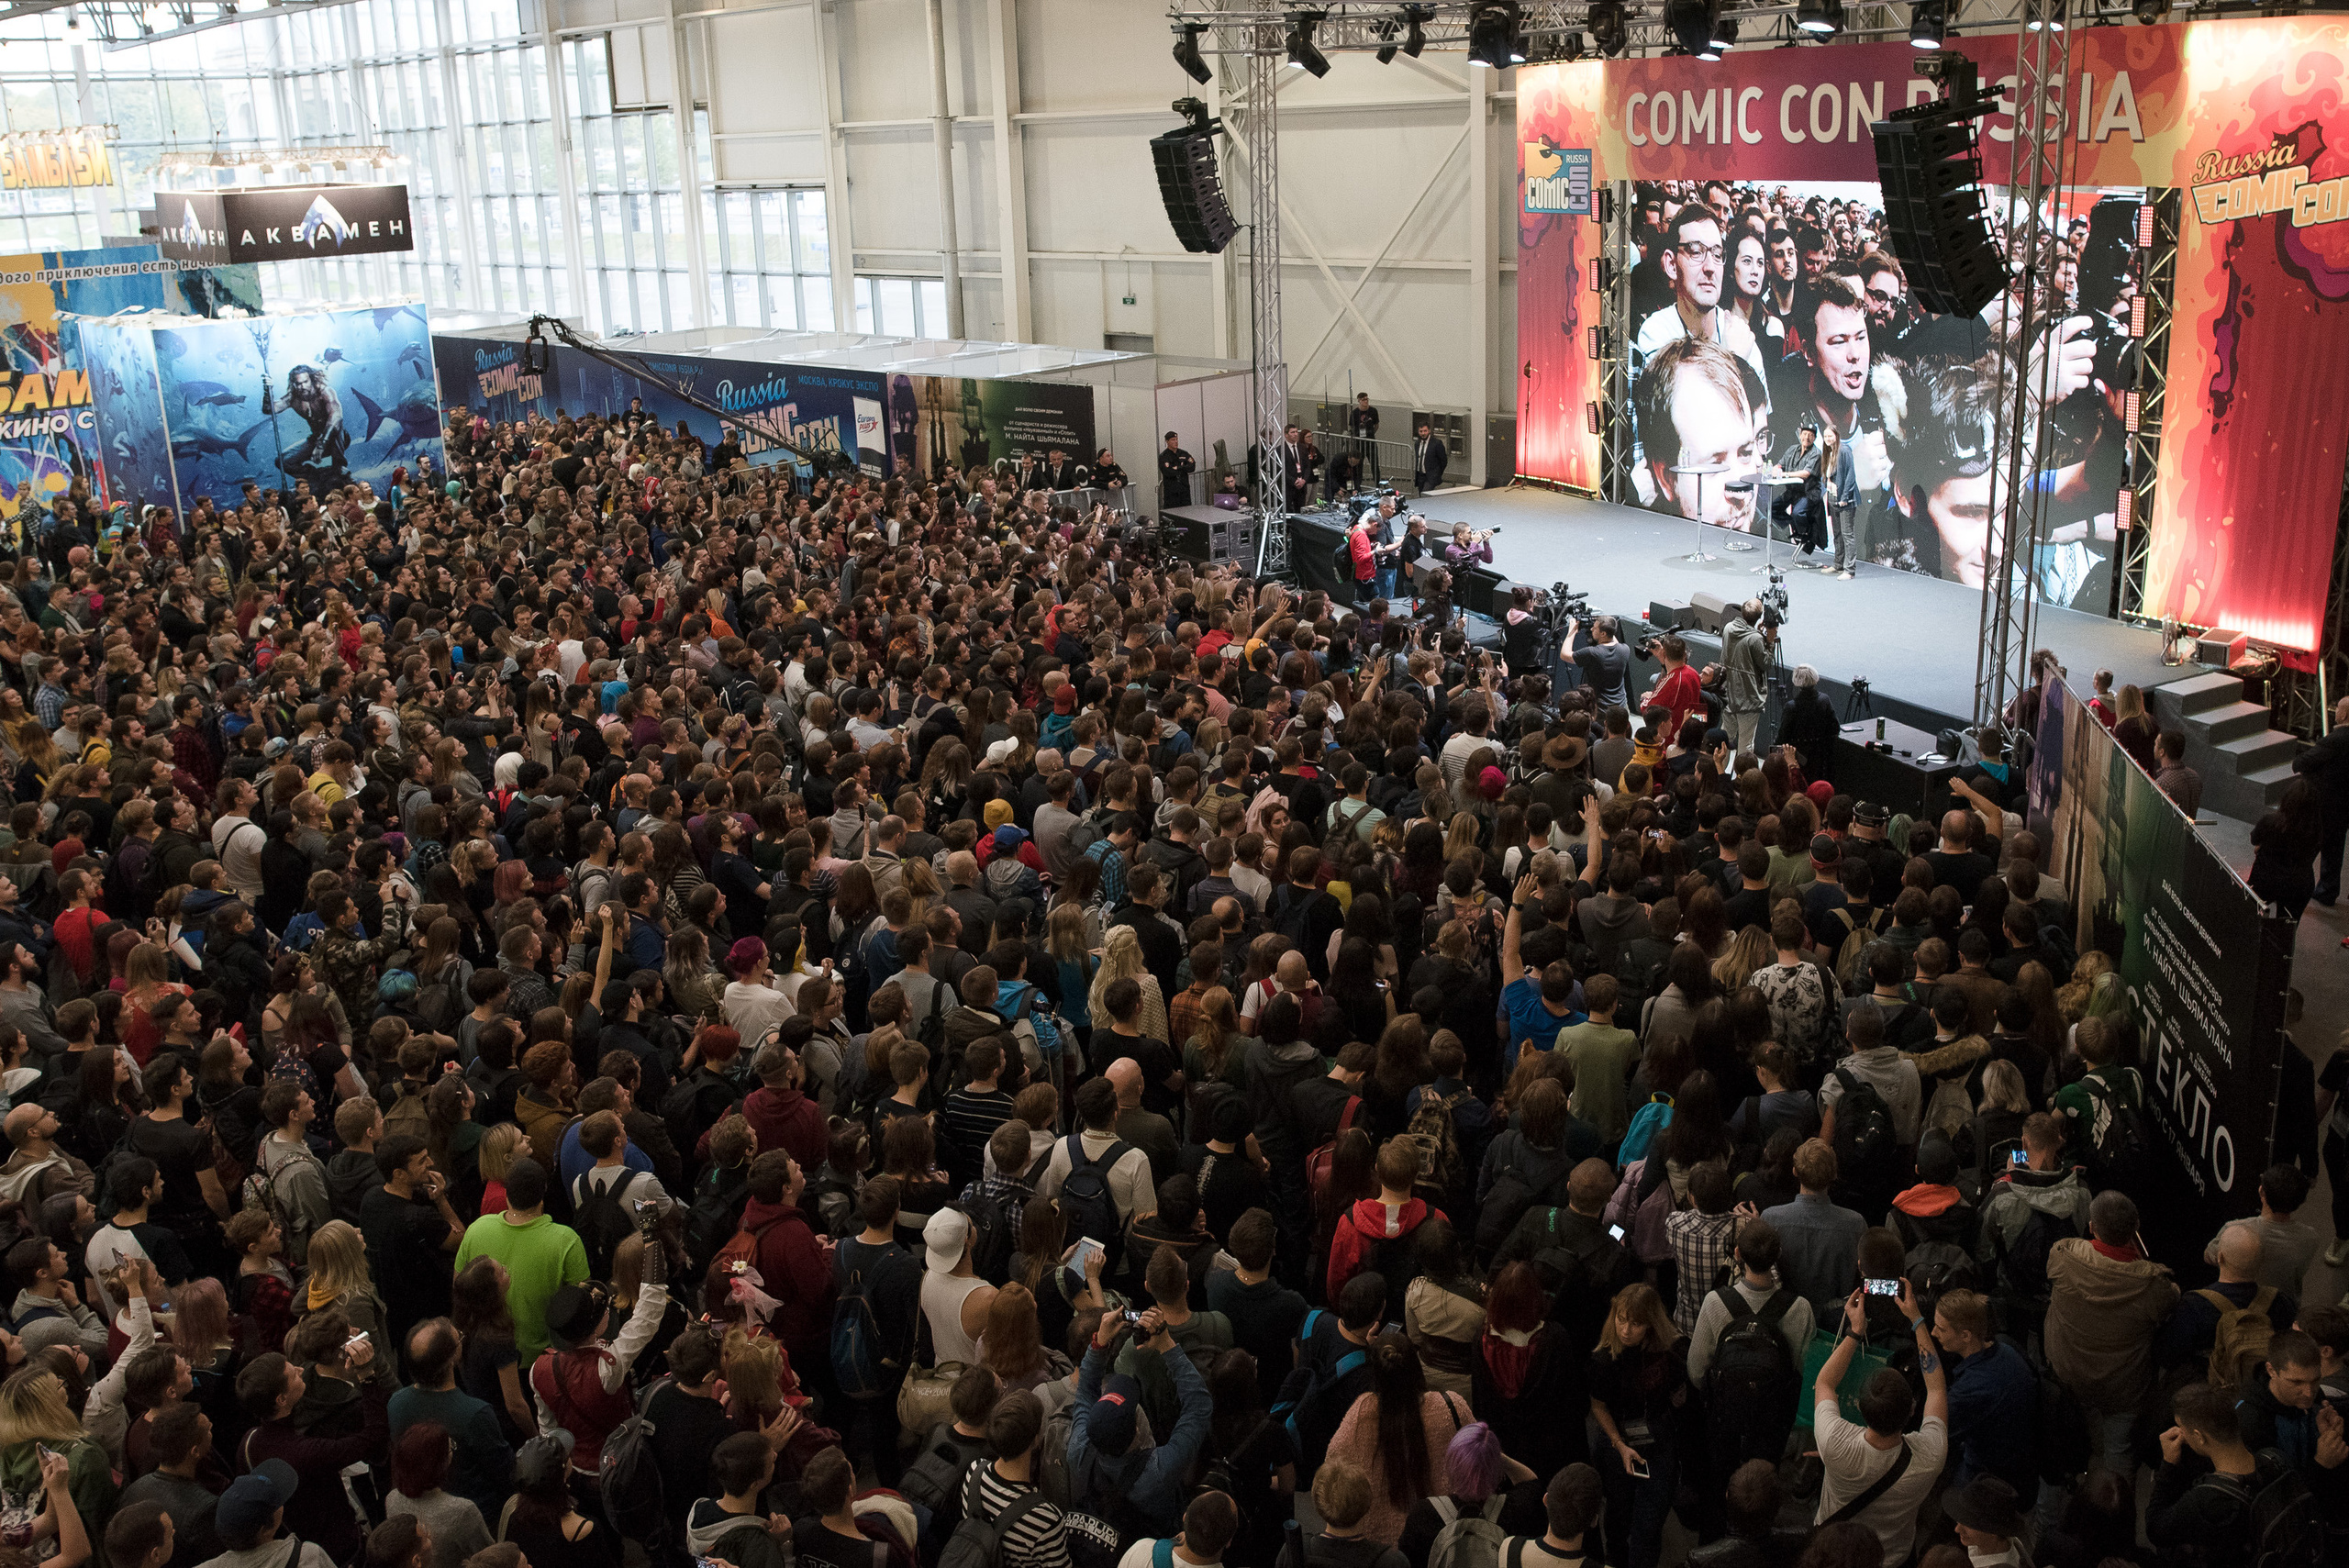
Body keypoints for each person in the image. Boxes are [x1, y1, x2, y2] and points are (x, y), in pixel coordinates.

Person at [1810, 1281, 1946, 1567]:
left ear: (1860, 1409)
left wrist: (1855, 1332)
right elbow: (1936, 1390)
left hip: (1834, 1552)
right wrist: (1917, 1320)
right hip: (1893, 1558)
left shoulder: (1833, 1442)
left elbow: (1824, 1382)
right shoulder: (1930, 1456)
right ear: (1912, 1410)